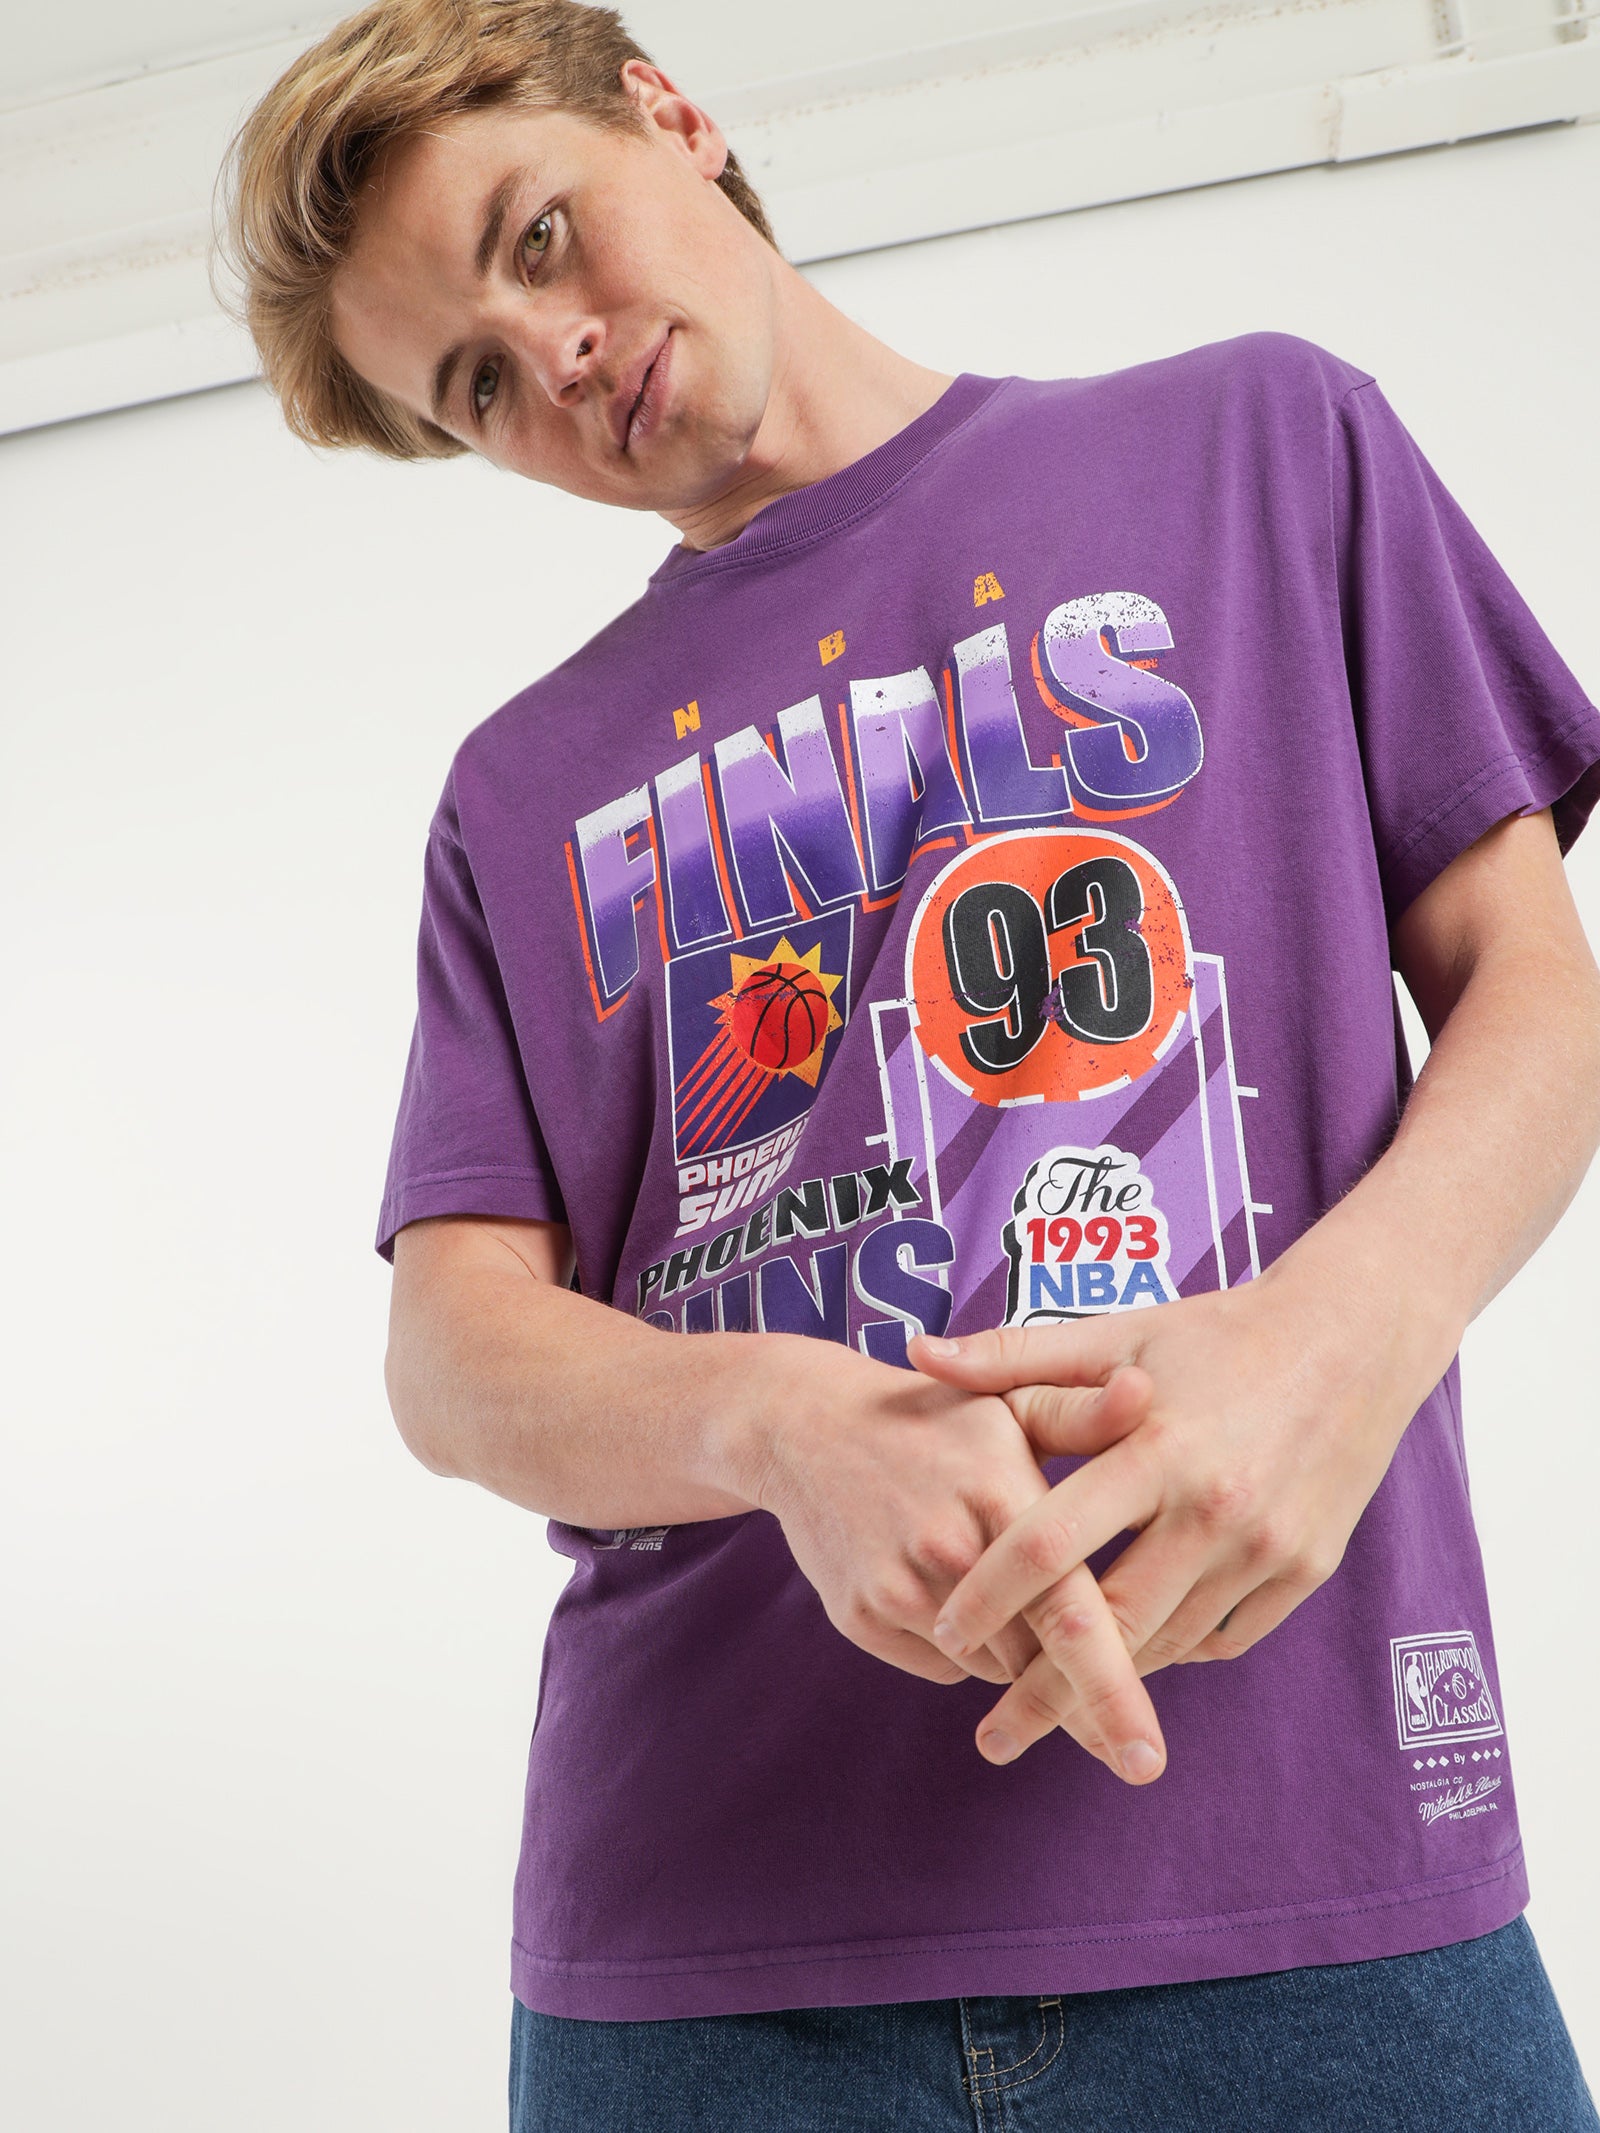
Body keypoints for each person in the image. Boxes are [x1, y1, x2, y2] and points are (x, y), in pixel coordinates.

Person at [220, 3, 1600, 2126]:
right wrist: (782, 1422)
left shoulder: (1259, 445)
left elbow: (1532, 985)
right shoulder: (517, 789)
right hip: (712, 1964)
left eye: (538, 235)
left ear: (668, 111)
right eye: (475, 383)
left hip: (1303, 1868)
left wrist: (1339, 1337)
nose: (553, 356)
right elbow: (454, 1347)